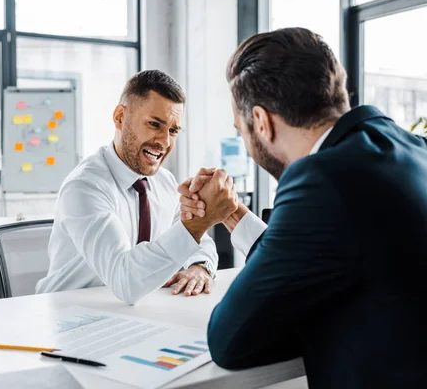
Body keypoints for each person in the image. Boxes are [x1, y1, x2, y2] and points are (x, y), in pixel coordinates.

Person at [177, 28, 427, 388]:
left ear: (261, 122)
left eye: (242, 130)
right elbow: (315, 256)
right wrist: (231, 213)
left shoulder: (321, 178)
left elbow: (230, 338)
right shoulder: (408, 147)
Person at [35, 70, 224, 304]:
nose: (165, 142)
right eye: (155, 124)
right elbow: (125, 281)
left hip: (131, 313)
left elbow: (198, 240)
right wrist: (196, 225)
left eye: (173, 131)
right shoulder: (85, 187)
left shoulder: (164, 182)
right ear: (120, 117)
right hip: (69, 316)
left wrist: (199, 266)